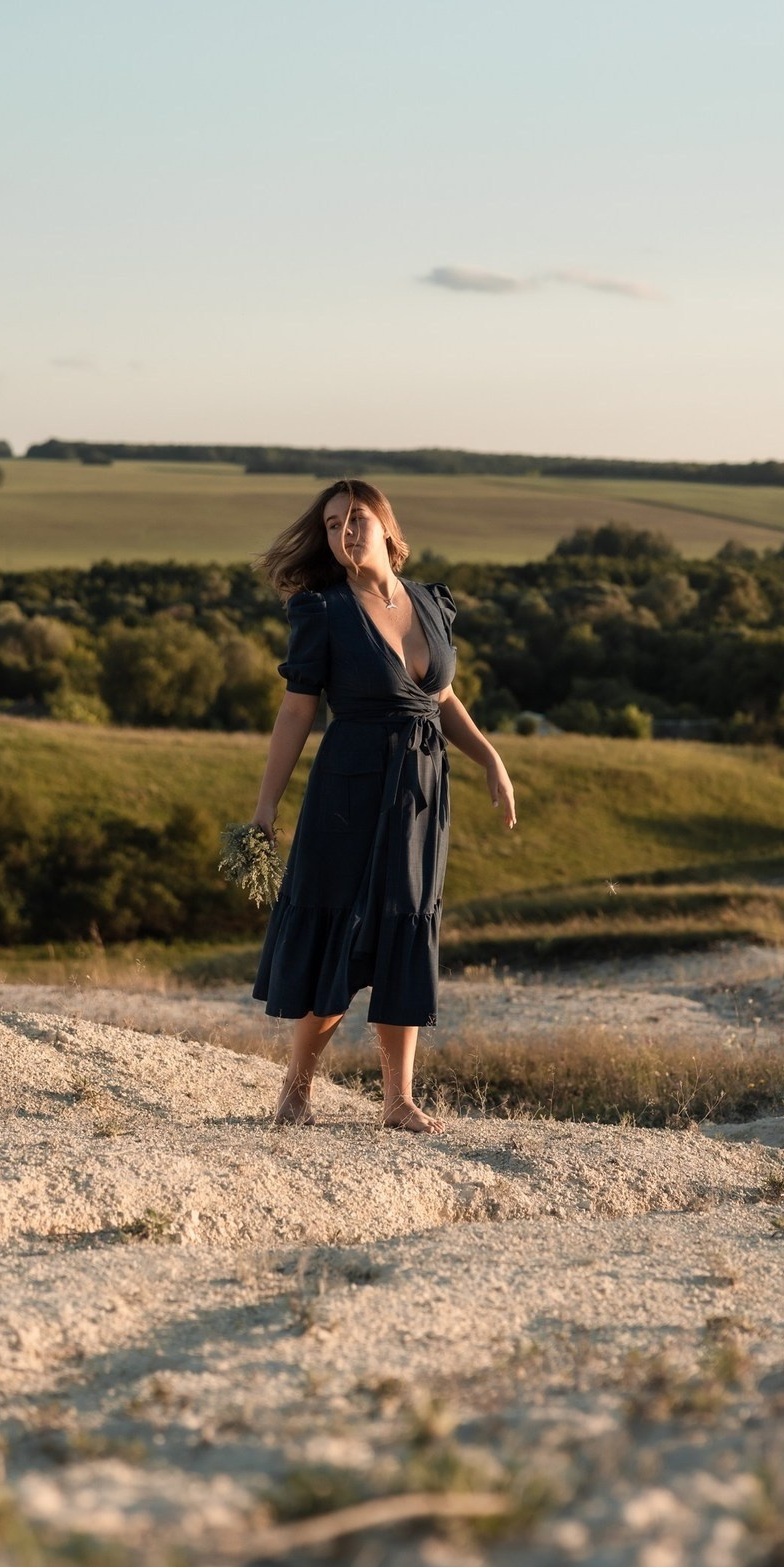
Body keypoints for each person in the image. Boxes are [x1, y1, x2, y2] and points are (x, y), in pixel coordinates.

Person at [250, 478, 517, 1132]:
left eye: (355, 518)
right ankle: (297, 1090)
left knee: (405, 925)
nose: (344, 531)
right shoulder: (322, 609)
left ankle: (399, 1100)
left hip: (422, 792)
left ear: (384, 523)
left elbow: (441, 699)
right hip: (349, 787)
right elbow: (295, 710)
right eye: (333, 522)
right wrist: (265, 808)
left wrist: (491, 758)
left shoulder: (430, 602)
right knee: (344, 929)